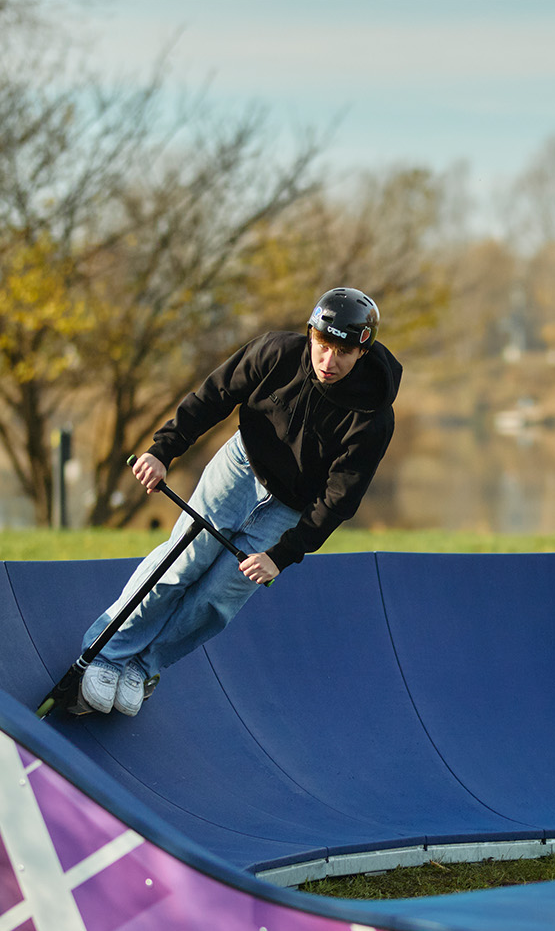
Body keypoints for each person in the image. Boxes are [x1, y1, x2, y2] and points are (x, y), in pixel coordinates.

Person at [76, 287, 401, 715]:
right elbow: (213, 396)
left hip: (290, 509)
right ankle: (108, 653)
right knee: (182, 563)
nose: (328, 361)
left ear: (362, 352)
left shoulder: (372, 417)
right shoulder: (275, 353)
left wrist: (281, 556)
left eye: (342, 352)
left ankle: (143, 665)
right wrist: (163, 450)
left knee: (217, 599)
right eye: (322, 345)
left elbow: (339, 499)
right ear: (310, 333)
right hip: (240, 466)